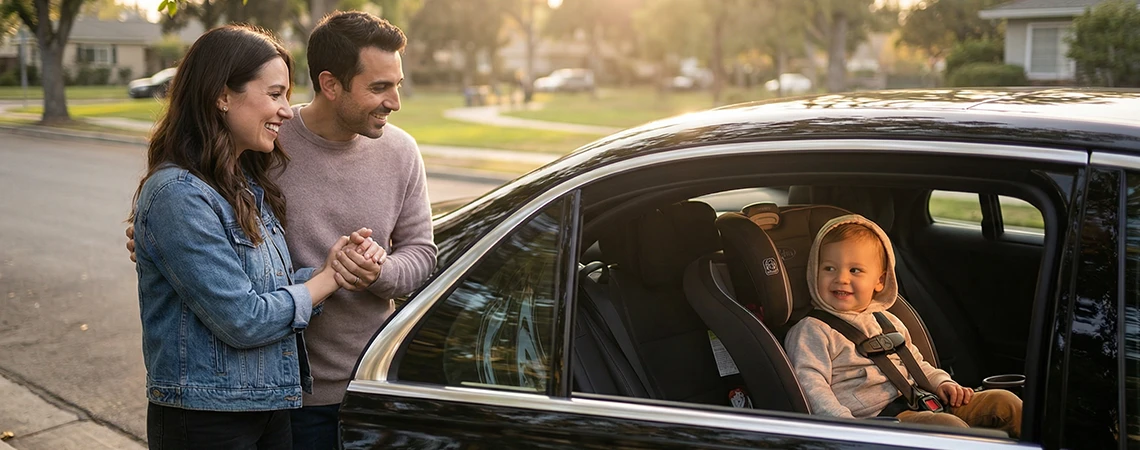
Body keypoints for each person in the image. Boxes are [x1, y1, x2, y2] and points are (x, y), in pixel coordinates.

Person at [128, 11, 438, 449]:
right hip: (279, 397)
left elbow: (421, 255)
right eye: (379, 87)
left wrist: (374, 270)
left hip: (366, 386)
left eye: (397, 85)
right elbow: (233, 295)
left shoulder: (399, 152)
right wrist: (158, 240)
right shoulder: (264, 144)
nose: (394, 101)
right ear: (331, 85)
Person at [784, 214, 1022, 437]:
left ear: (879, 280)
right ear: (813, 272)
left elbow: (917, 363)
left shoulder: (887, 319)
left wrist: (941, 382)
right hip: (878, 422)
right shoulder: (812, 330)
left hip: (925, 401)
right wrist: (845, 427)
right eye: (829, 269)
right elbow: (811, 386)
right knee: (949, 430)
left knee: (1005, 403)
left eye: (855, 270)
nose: (841, 278)